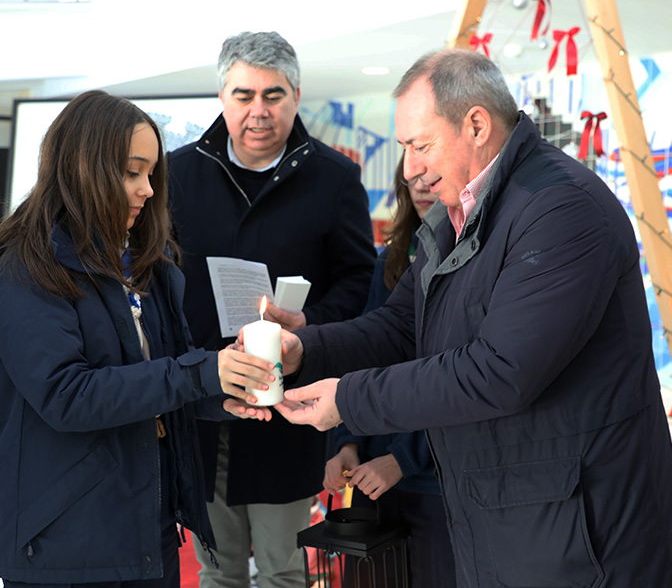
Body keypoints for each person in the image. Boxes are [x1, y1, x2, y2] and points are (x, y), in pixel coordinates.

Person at [270, 49, 672, 587]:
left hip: (582, 531)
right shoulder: (455, 213)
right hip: (508, 513)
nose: (409, 167)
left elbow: (501, 371)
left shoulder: (562, 209)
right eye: (404, 148)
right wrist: (306, 351)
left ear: (477, 124)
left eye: (420, 145)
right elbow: (398, 327)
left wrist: (347, 399)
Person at [0, 90, 277, 588]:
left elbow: (162, 379)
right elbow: (67, 396)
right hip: (66, 540)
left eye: (150, 174)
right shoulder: (28, 272)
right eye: (130, 172)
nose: (146, 190)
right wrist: (199, 374)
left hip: (144, 521)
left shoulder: (143, 264)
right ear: (80, 167)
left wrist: (223, 389)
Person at [167, 31, 376, 588]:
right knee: (218, 568)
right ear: (221, 97)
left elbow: (359, 279)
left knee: (285, 568)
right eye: (243, 95)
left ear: (297, 95)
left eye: (273, 95)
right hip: (206, 399)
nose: (258, 111)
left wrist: (312, 325)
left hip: (292, 404)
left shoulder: (334, 178)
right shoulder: (176, 175)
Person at [323, 153, 455, 588]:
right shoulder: (390, 260)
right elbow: (366, 358)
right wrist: (344, 444)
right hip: (370, 478)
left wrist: (403, 458)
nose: (420, 182)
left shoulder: (479, 259)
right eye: (411, 169)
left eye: (431, 167)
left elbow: (460, 378)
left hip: (436, 481)